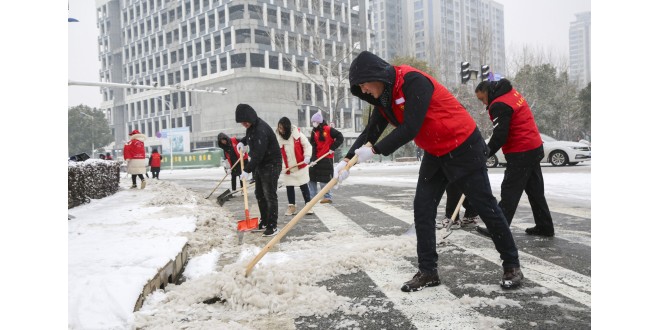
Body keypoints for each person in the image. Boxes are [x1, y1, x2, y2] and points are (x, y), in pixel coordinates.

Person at [334, 51, 523, 291]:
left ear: (376, 75)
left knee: (486, 207)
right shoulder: (383, 100)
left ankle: (512, 264)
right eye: (358, 87)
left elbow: (411, 127)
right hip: (435, 151)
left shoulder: (413, 81)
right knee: (422, 208)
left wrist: (376, 151)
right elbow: (370, 132)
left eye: (364, 84)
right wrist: (347, 161)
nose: (364, 91)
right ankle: (428, 271)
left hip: (463, 145)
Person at [474, 79, 555, 237]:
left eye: (482, 98)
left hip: (521, 151)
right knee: (535, 191)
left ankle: (498, 229)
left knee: (509, 191)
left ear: (489, 92)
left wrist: (484, 154)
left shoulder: (499, 104)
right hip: (534, 147)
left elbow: (500, 136)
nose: (484, 103)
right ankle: (545, 227)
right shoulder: (511, 93)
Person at [235, 104, 283, 237]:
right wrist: (243, 142)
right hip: (261, 164)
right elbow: (250, 137)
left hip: (271, 163)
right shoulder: (252, 126)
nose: (244, 124)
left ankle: (272, 226)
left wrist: (247, 169)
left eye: (244, 122)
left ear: (250, 118)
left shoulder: (261, 129)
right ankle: (265, 220)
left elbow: (258, 154)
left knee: (269, 195)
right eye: (241, 123)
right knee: (259, 194)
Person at [276, 116, 314, 216]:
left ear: (287, 127)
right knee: (289, 187)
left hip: (300, 165)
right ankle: (292, 207)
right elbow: (276, 153)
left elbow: (307, 145)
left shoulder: (297, 134)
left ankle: (308, 205)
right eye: (279, 128)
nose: (280, 130)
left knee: (303, 185)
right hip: (287, 167)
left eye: (282, 128)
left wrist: (307, 156)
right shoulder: (278, 138)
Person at [308, 110, 344, 204]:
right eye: (312, 122)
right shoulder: (314, 132)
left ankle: (327, 197)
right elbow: (313, 146)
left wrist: (333, 147)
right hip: (317, 157)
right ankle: (312, 197)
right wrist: (313, 159)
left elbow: (340, 137)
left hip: (326, 157)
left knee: (324, 178)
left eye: (315, 122)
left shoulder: (328, 129)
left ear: (319, 122)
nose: (313, 124)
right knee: (311, 177)